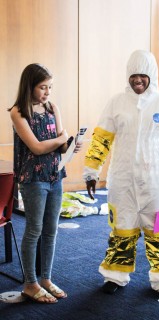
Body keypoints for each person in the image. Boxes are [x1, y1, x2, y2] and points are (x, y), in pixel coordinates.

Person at [83, 50, 159, 298]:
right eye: (133, 77)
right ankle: (115, 275)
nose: (138, 81)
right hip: (122, 179)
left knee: (158, 231)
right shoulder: (116, 102)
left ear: (151, 76)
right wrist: (91, 171)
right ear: (128, 77)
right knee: (122, 230)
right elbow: (101, 139)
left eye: (143, 76)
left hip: (156, 181)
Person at [9, 63, 81, 304]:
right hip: (32, 179)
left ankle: (46, 278)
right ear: (29, 86)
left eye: (50, 87)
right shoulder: (18, 111)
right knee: (34, 230)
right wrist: (59, 139)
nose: (48, 92)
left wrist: (69, 144)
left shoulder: (52, 108)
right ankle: (30, 283)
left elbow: (60, 144)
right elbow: (36, 147)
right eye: (43, 87)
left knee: (51, 230)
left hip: (54, 175)